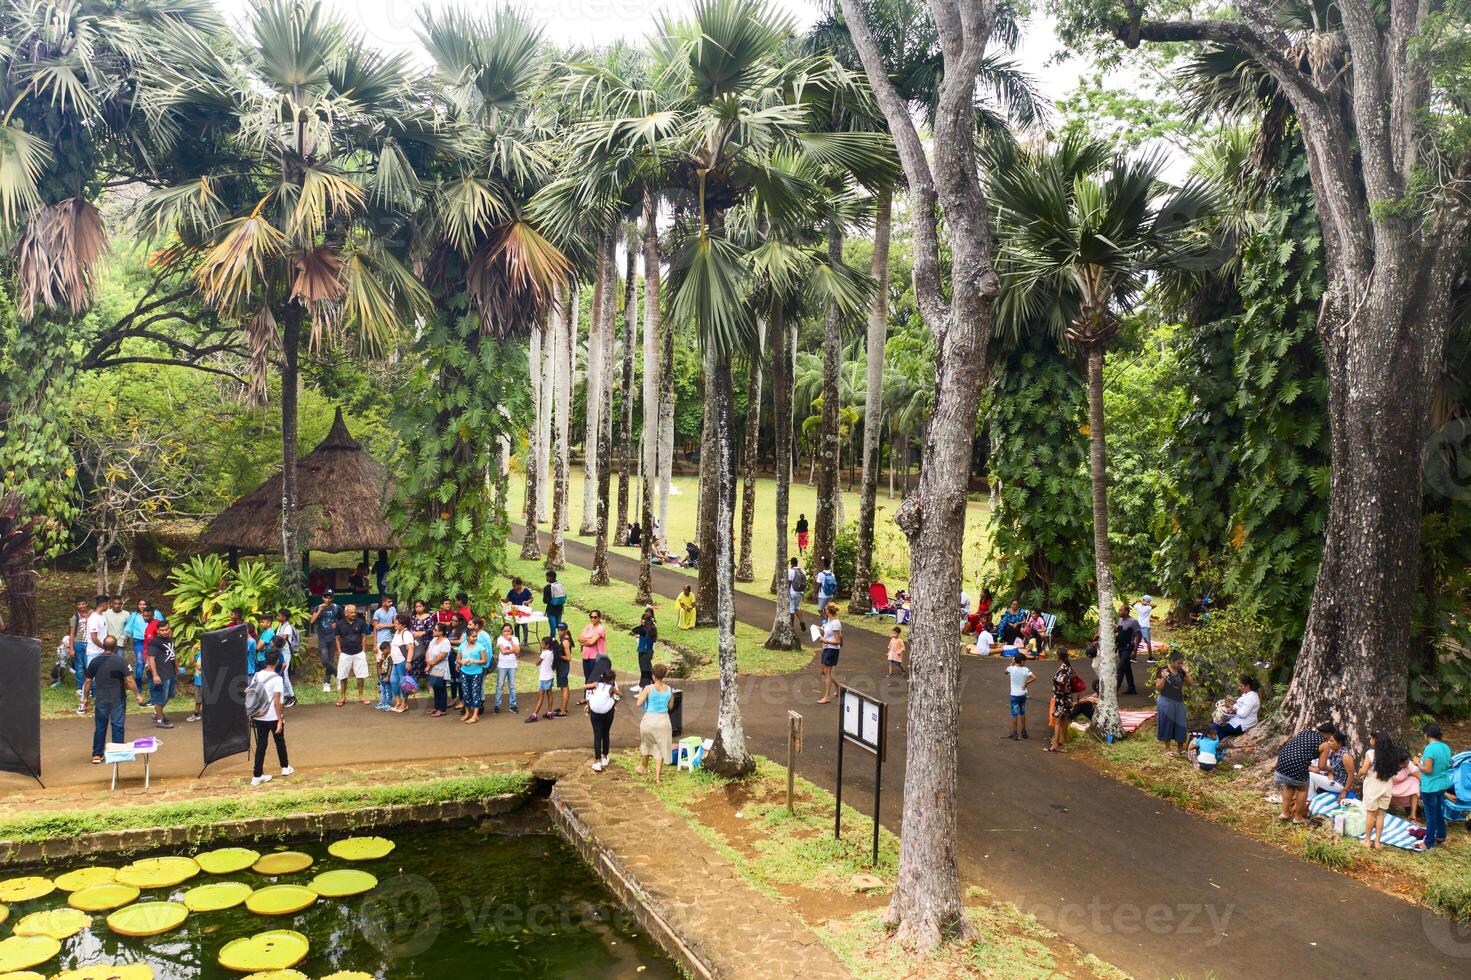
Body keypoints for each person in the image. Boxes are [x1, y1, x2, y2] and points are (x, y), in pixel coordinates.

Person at [84, 637, 136, 765]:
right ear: (115, 647)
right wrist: (137, 694)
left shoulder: (95, 662)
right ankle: (117, 753)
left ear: (103, 646)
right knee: (117, 725)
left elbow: (88, 681)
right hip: (117, 696)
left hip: (101, 697)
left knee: (100, 726)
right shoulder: (121, 661)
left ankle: (97, 754)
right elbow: (129, 680)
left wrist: (85, 698)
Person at [1275, 723, 1338, 824]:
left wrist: (1309, 765)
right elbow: (1322, 766)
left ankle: (1284, 814)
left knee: (1289, 786)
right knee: (1303, 788)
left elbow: (1300, 750)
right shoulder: (1325, 745)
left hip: (1283, 758)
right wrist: (1330, 769)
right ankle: (1298, 818)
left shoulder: (1305, 732)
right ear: (1329, 733)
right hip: (1298, 763)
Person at [247, 648, 292, 786]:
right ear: (277, 661)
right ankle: (285, 768)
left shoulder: (257, 675)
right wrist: (280, 719)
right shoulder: (277, 679)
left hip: (259, 716)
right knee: (280, 741)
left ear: (266, 660)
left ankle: (257, 775)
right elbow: (278, 701)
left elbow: (251, 693)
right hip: (272, 716)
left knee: (261, 744)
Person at [1358, 730, 1400, 849]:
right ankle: (1377, 842)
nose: (1370, 740)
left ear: (1375, 740)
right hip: (1387, 786)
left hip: (1373, 786)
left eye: (1371, 738)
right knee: (1381, 814)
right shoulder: (1393, 754)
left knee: (1370, 814)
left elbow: (1364, 770)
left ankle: (1367, 840)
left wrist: (1359, 773)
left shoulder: (1371, 753)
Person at [636, 663, 674, 783]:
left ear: (653, 676)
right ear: (664, 675)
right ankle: (657, 778)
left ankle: (643, 768)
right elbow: (670, 706)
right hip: (663, 721)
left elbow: (638, 703)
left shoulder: (648, 688)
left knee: (646, 745)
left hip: (649, 721)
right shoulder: (669, 690)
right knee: (661, 748)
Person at [1420, 722, 1454, 849]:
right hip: (1443, 784)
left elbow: (1428, 769)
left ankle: (1428, 842)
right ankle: (1441, 836)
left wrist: (1418, 763)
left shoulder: (1430, 748)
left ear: (1427, 734)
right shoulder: (1445, 747)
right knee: (1438, 811)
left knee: (1430, 814)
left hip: (1430, 786)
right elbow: (1449, 764)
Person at [142, 619, 178, 729]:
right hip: (160, 674)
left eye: (167, 629)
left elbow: (172, 653)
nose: (165, 632)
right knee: (160, 697)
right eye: (162, 630)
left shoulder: (169, 639)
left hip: (170, 672)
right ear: (157, 631)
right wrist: (155, 675)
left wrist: (176, 666)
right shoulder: (154, 642)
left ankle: (158, 713)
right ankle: (159, 719)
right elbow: (151, 659)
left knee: (169, 695)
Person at [334, 603, 371, 706]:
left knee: (360, 676)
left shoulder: (361, 622)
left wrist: (363, 650)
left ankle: (361, 696)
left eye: (355, 612)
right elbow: (337, 639)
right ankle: (342, 697)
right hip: (345, 653)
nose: (354, 614)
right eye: (351, 612)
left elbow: (363, 636)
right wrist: (339, 652)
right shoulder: (340, 624)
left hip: (358, 653)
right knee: (343, 676)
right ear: (346, 613)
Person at [1154, 652, 1190, 754]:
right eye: (1179, 663)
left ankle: (1180, 748)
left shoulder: (1181, 670)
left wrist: (1187, 673)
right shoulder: (1163, 670)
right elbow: (1158, 688)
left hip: (1179, 700)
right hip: (1166, 700)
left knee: (1181, 724)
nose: (1181, 665)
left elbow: (1190, 683)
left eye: (1182, 663)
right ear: (1172, 662)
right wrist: (1164, 678)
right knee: (1167, 723)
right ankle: (1167, 749)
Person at [457, 618, 490, 724]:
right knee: (466, 693)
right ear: (467, 637)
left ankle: (475, 715)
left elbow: (484, 660)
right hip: (464, 672)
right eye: (473, 636)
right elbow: (458, 659)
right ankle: (467, 712)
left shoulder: (480, 647)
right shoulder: (462, 646)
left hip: (476, 673)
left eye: (476, 636)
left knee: (476, 693)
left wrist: (475, 661)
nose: (475, 638)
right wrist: (461, 662)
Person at [1308, 731, 1357, 801]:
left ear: (1339, 743)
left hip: (1339, 784)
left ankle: (1311, 799)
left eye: (1331, 741)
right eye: (1328, 740)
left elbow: (1351, 775)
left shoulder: (1345, 756)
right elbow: (1331, 768)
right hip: (1333, 779)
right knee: (1314, 771)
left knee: (1310, 775)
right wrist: (1330, 774)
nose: (1328, 742)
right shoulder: (1333, 752)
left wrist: (1344, 791)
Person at [587, 667, 619, 772]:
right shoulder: (613, 686)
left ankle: (597, 762)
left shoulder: (596, 684)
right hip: (608, 712)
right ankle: (605, 757)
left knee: (597, 735)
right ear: (613, 679)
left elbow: (588, 695)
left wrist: (588, 708)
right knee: (605, 733)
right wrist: (612, 704)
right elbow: (618, 697)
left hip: (595, 712)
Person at [309, 590, 342, 694]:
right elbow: (312, 621)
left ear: (332, 598)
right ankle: (338, 675)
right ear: (322, 597)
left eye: (329, 597)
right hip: (322, 638)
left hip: (332, 638)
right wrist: (320, 610)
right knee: (324, 660)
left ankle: (326, 683)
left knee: (330, 660)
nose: (327, 599)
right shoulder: (318, 607)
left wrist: (337, 624)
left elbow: (344, 619)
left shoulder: (337, 607)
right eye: (325, 597)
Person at [122, 599, 160, 687]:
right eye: (140, 604)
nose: (142, 606)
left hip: (153, 641)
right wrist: (126, 636)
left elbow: (162, 625)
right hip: (139, 641)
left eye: (144, 604)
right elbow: (129, 626)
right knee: (140, 662)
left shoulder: (156, 613)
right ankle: (138, 684)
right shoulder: (134, 615)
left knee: (153, 660)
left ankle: (154, 681)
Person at [1047, 650, 1077, 753]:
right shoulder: (1069, 667)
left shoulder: (1064, 668)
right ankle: (1064, 740)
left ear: (1059, 656)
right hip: (1067, 697)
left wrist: (1056, 685)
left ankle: (1055, 744)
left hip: (1061, 698)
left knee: (1057, 721)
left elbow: (1061, 682)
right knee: (1064, 720)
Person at [1214, 676, 1261, 741]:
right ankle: (1219, 740)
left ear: (1247, 686)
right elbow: (1243, 704)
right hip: (1241, 720)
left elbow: (1242, 714)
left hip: (1243, 724)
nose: (1239, 688)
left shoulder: (1250, 698)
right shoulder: (1247, 694)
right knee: (1219, 722)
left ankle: (1216, 743)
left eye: (1241, 686)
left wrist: (1229, 706)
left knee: (1217, 725)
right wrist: (1233, 700)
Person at [66, 596, 89, 712]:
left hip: (89, 643)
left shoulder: (90, 615)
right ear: (76, 606)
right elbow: (71, 633)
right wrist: (71, 648)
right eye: (79, 604)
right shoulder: (75, 617)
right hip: (78, 643)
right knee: (79, 666)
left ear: (86, 604)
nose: (81, 606)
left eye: (83, 604)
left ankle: (91, 689)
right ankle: (80, 687)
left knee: (88, 666)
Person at [816, 602, 842, 704]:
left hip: (832, 649)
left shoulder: (836, 623)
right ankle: (838, 686)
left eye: (825, 609)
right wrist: (819, 629)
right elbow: (828, 630)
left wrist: (824, 640)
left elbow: (838, 641)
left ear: (828, 611)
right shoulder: (829, 620)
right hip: (826, 648)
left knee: (827, 673)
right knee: (823, 671)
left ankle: (826, 697)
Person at [1004, 652, 1034, 741]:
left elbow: (1005, 672)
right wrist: (1026, 683)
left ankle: (1014, 733)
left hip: (1014, 695)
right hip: (1023, 694)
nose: (1025, 662)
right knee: (1022, 712)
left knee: (1014, 714)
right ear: (1021, 661)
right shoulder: (1025, 669)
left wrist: (1012, 662)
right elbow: (1034, 677)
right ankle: (1024, 731)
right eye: (1024, 661)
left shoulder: (1011, 669)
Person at [424, 622, 452, 717]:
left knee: (441, 688)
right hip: (433, 668)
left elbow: (441, 657)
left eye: (435, 630)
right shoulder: (433, 640)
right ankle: (436, 707)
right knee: (435, 688)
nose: (433, 631)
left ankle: (442, 709)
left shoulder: (446, 642)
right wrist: (428, 662)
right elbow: (428, 651)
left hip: (441, 669)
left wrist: (429, 665)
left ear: (441, 632)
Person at [272, 608, 299, 705]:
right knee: (281, 673)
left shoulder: (287, 627)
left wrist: (273, 645)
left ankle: (292, 696)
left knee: (285, 673)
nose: (277, 617)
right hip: (280, 652)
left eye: (279, 616)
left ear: (284, 617)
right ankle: (286, 695)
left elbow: (282, 640)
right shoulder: (280, 625)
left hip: (285, 653)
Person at [528, 636, 557, 723]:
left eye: (542, 644)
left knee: (540, 697)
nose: (541, 645)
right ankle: (549, 712)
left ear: (547, 645)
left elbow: (537, 662)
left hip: (544, 678)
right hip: (550, 676)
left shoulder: (544, 653)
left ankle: (534, 715)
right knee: (549, 695)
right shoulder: (552, 652)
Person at [390, 614, 415, 713]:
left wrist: (408, 661)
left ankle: (404, 703)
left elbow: (410, 648)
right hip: (395, 661)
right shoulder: (397, 632)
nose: (395, 625)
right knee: (393, 681)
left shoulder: (407, 634)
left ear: (403, 625)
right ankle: (398, 701)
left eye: (397, 623)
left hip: (402, 661)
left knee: (403, 683)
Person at [493, 622, 520, 714]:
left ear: (511, 631)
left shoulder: (515, 639)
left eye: (508, 631)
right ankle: (497, 705)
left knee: (512, 686)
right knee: (500, 685)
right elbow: (503, 651)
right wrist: (513, 650)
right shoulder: (500, 639)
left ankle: (513, 705)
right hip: (502, 666)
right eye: (505, 631)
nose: (507, 633)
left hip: (512, 665)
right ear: (502, 632)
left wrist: (511, 641)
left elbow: (518, 651)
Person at [578, 611, 607, 689]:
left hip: (595, 657)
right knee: (587, 677)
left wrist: (584, 642)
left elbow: (592, 642)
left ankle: (595, 697)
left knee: (595, 678)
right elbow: (579, 638)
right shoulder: (588, 626)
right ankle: (586, 696)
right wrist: (588, 639)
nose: (593, 619)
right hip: (586, 656)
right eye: (591, 617)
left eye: (595, 617)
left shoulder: (600, 629)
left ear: (599, 618)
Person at [408, 601, 436, 678]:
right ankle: (415, 680)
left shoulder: (429, 617)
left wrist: (422, 633)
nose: (418, 608)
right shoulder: (413, 618)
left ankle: (428, 682)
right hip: (416, 643)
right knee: (416, 660)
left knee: (427, 660)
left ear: (424, 607)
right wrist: (413, 633)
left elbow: (431, 629)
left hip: (427, 642)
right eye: (416, 607)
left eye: (420, 606)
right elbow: (409, 628)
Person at [631, 607, 657, 690]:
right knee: (648, 669)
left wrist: (642, 624)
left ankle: (644, 689)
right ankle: (651, 684)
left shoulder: (644, 629)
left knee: (644, 670)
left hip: (643, 652)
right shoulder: (653, 627)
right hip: (649, 652)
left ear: (643, 620)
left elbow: (634, 630)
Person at [554, 622, 575, 718]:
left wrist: (558, 656)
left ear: (566, 630)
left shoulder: (565, 642)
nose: (559, 631)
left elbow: (568, 658)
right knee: (564, 687)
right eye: (558, 629)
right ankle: (563, 707)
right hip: (562, 666)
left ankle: (563, 711)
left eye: (561, 630)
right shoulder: (563, 639)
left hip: (563, 666)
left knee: (564, 687)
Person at [104, 596, 129, 673]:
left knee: (119, 662)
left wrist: (126, 639)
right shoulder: (106, 613)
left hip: (120, 642)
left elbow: (128, 628)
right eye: (115, 604)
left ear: (121, 604)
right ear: (112, 604)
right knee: (108, 662)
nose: (117, 605)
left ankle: (119, 680)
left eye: (119, 604)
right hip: (109, 643)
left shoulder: (126, 614)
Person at [505, 577, 534, 645]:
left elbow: (531, 599)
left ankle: (525, 642)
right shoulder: (512, 591)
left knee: (525, 627)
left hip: (524, 613)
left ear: (519, 584)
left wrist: (527, 601)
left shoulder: (526, 591)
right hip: (515, 613)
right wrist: (499, 598)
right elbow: (506, 600)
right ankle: (517, 642)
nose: (513, 587)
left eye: (514, 585)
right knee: (516, 628)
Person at [786, 558, 806, 633]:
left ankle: (791, 627)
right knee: (797, 607)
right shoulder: (802, 571)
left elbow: (789, 582)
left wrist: (787, 591)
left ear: (791, 563)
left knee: (791, 610)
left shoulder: (791, 571)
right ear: (797, 563)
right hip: (800, 592)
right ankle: (801, 621)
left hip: (792, 592)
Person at [374, 641, 394, 712]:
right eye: (381, 651)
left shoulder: (390, 657)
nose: (382, 652)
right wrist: (382, 660)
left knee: (388, 690)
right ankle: (382, 702)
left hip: (386, 676)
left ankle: (388, 704)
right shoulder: (385, 657)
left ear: (388, 649)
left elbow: (391, 667)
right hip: (382, 676)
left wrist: (388, 676)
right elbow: (380, 666)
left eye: (383, 650)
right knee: (382, 690)